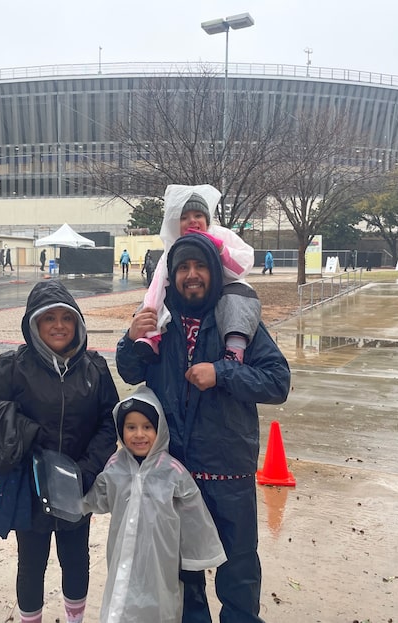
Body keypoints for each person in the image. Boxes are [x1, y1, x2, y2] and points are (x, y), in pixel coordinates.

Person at [116, 232, 291, 623]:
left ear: (212, 271)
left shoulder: (237, 321)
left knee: (239, 571)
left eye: (199, 267)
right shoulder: (160, 321)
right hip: (176, 473)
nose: (191, 275)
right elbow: (130, 371)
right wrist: (130, 339)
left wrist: (223, 372)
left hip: (229, 470)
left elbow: (278, 382)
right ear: (171, 276)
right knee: (184, 574)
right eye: (182, 268)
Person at [0, 280, 119, 623]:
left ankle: (75, 618)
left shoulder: (95, 368)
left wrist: (84, 472)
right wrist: (20, 442)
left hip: (78, 486)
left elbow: (109, 424)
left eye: (66, 317)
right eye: (49, 318)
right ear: (34, 324)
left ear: (78, 323)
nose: (59, 325)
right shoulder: (12, 367)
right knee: (32, 562)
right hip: (29, 488)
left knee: (76, 558)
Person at [83, 386, 226, 623]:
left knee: (159, 605)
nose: (139, 434)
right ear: (121, 430)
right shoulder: (115, 466)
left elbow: (194, 518)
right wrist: (72, 500)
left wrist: (192, 562)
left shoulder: (173, 472)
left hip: (162, 560)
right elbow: (98, 497)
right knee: (122, 600)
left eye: (147, 427)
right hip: (122, 557)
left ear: (158, 430)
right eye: (131, 427)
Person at [133, 184, 260, 364]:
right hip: (181, 309)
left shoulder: (221, 234)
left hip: (227, 290)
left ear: (207, 220)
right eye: (184, 217)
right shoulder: (172, 248)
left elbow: (245, 262)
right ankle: (150, 341)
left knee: (239, 299)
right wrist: (147, 321)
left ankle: (234, 349)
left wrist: (221, 249)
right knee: (150, 302)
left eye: (198, 215)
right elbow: (158, 284)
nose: (192, 220)